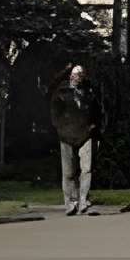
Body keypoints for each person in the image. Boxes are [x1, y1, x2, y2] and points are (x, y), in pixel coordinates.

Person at [48, 63, 102, 217]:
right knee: (68, 172)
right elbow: (55, 114)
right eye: (74, 74)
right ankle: (71, 203)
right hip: (66, 135)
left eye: (80, 74)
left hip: (86, 134)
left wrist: (94, 129)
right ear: (70, 75)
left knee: (87, 169)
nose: (76, 77)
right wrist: (60, 128)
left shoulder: (89, 93)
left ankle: (83, 200)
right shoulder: (61, 93)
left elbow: (98, 112)